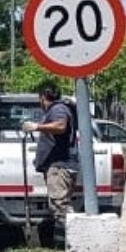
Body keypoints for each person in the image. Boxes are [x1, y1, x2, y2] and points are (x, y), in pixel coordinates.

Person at [21, 85, 78, 242]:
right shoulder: (58, 109)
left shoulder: (57, 108)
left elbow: (61, 126)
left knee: (60, 205)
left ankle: (76, 239)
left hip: (60, 167)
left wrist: (37, 127)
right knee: (58, 205)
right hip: (59, 165)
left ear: (42, 98)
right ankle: (62, 243)